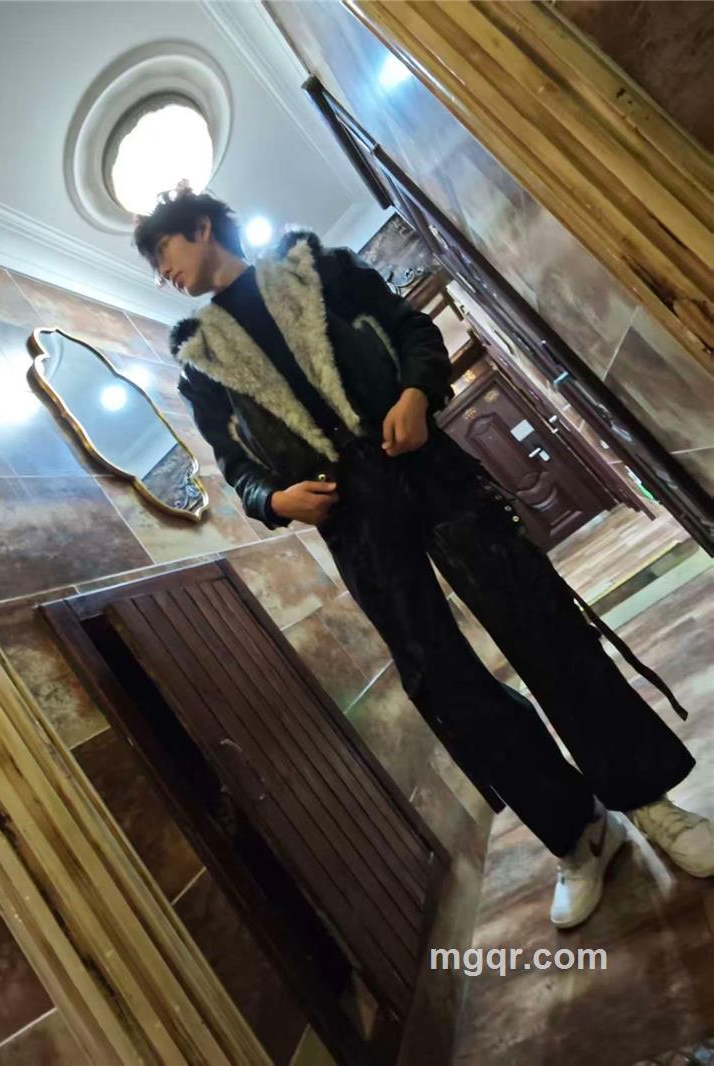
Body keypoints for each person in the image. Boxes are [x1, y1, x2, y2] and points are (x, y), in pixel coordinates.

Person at [133, 182, 713, 928]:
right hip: (352, 521)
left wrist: (416, 393)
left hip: (426, 470)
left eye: (162, 252)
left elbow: (414, 332)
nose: (162, 273)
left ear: (201, 226)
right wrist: (274, 501)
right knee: (444, 682)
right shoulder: (202, 362)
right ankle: (579, 833)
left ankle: (648, 800)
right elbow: (236, 467)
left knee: (543, 627)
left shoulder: (320, 269)